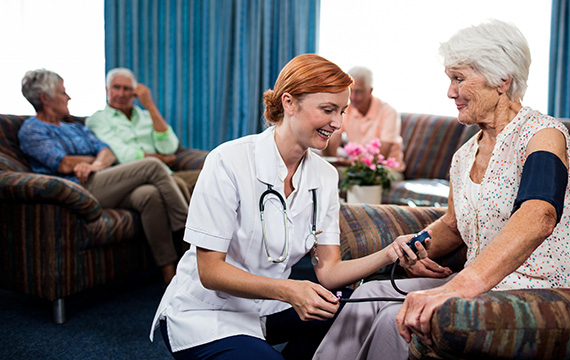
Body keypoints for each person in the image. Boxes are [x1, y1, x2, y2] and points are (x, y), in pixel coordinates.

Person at [313, 19, 570, 360]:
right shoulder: (466, 154)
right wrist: (419, 252)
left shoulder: (542, 135)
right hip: (491, 282)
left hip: (543, 285)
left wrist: (460, 286)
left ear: (501, 80)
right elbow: (452, 224)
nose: (450, 92)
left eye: (459, 79)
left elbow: (539, 215)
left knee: (396, 317)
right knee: (366, 298)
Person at [148, 54, 423, 360]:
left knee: (352, 307)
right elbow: (210, 272)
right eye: (328, 109)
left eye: (342, 111)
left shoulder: (325, 176)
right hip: (208, 312)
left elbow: (329, 272)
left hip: (269, 308)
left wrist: (389, 253)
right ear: (289, 103)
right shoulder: (228, 161)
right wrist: (290, 290)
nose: (338, 123)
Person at [18, 69, 189, 285]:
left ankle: (170, 273)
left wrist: (96, 163)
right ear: (45, 98)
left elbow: (106, 151)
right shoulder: (32, 130)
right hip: (76, 190)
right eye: (63, 93)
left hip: (100, 181)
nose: (68, 97)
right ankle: (191, 240)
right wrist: (92, 160)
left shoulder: (74, 127)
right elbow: (62, 164)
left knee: (149, 195)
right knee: (153, 165)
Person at [86, 68, 199, 201]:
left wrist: (150, 106)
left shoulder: (146, 116)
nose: (121, 94)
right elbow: (122, 155)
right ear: (107, 90)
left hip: (166, 174)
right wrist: (160, 159)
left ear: (134, 93)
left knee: (209, 177)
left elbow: (169, 148)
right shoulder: (98, 119)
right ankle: (187, 222)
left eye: (127, 89)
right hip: (132, 177)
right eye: (116, 87)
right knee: (177, 184)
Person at [323, 66, 405, 174]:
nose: (353, 97)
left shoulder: (389, 112)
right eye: (350, 91)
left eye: (359, 92)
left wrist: (351, 163)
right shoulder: (346, 109)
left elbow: (382, 154)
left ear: (370, 91)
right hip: (355, 167)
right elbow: (333, 139)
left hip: (385, 170)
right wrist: (333, 165)